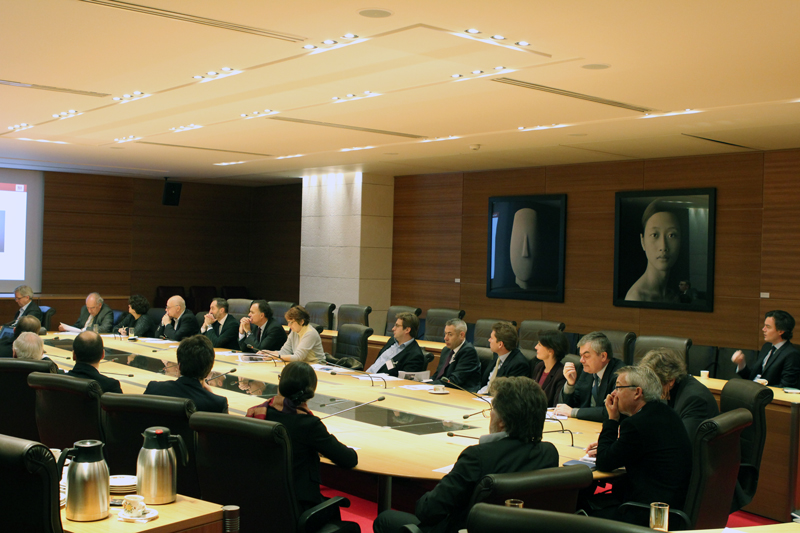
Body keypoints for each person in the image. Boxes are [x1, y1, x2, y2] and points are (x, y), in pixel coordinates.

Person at [373, 377, 559, 533]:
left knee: (385, 519)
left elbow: (427, 511)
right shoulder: (549, 453)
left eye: (492, 410)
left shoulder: (477, 457)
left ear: (502, 422)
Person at [245, 361, 357, 511]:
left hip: (260, 502)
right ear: (311, 391)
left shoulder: (258, 412)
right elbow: (349, 459)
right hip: (300, 506)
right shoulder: (309, 424)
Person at [592, 366, 692, 524]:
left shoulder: (637, 425)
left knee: (576, 508)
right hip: (671, 507)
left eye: (618, 387)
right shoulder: (667, 413)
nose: (613, 394)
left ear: (637, 392)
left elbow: (603, 462)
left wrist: (611, 419)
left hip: (646, 513)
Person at [639, 348, 719, 439]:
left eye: (654, 383)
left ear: (670, 380)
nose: (650, 388)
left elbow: (684, 442)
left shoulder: (694, 399)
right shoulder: (674, 389)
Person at [144, 335, 228, 413]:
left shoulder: (153, 388)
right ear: (208, 371)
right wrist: (210, 396)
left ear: (179, 366)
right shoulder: (217, 404)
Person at [555, 331, 624, 421]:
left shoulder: (620, 375)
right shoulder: (586, 370)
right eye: (581, 356)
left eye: (586, 356)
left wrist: (574, 412)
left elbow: (611, 411)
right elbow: (568, 406)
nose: (581, 360)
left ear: (603, 356)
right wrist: (570, 385)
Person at [625, 199, 682, 303]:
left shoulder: (674, 297)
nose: (663, 246)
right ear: (643, 242)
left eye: (671, 235)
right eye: (655, 235)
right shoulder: (636, 298)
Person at [732, 310, 800, 388]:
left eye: (768, 327)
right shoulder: (766, 347)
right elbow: (752, 377)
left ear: (781, 331)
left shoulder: (791, 354)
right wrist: (741, 363)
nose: (763, 329)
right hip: (754, 393)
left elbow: (786, 386)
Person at [476, 322, 529, 394]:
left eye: (491, 338)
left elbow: (507, 393)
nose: (489, 340)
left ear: (500, 344)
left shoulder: (519, 364)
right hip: (481, 394)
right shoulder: (496, 354)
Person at [259, 305, 324, 363]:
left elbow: (298, 357)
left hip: (316, 365)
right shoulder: (294, 331)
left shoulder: (310, 333)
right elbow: (284, 352)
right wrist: (268, 353)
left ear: (301, 322)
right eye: (288, 322)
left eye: (291, 322)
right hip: (303, 364)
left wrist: (276, 357)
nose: (289, 325)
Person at [431, 319, 480, 391]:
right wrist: (424, 382)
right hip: (444, 389)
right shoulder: (446, 350)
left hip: (462, 394)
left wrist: (429, 385)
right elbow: (438, 375)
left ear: (461, 335)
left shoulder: (468, 352)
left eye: (450, 334)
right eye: (445, 334)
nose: (445, 338)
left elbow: (454, 381)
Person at [530, 329, 569, 407]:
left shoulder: (561, 374)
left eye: (539, 345)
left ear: (550, 351)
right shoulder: (539, 366)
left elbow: (556, 405)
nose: (536, 347)